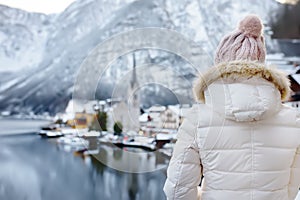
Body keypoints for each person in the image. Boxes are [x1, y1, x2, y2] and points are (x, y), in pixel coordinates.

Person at [163, 15, 300, 200]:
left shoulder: (198, 119)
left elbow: (178, 189)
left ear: (220, 63)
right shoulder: (294, 121)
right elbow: (292, 186)